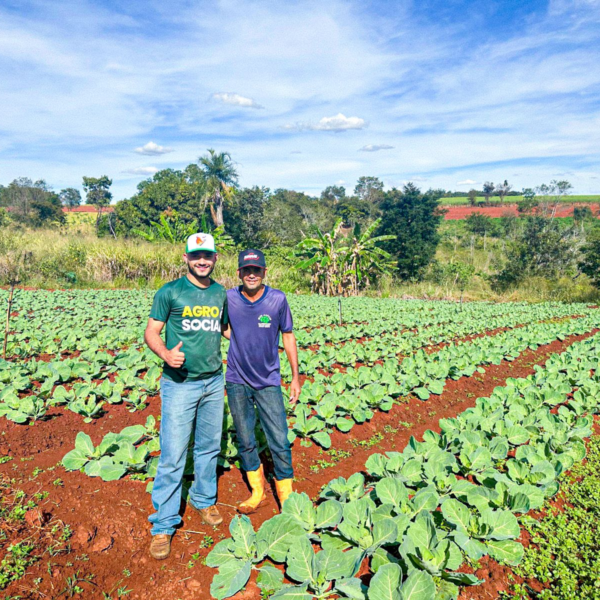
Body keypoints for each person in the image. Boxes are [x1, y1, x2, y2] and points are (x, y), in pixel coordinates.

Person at [144, 232, 229, 560]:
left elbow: (224, 329)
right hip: (180, 384)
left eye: (207, 255)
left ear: (215, 258)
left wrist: (257, 334)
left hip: (212, 382)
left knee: (209, 447)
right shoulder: (170, 292)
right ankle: (163, 524)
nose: (202, 261)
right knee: (173, 453)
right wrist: (166, 354)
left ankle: (204, 500)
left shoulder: (221, 293)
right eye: (196, 256)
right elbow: (151, 331)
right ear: (186, 258)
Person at [224, 249, 301, 514]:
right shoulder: (230, 298)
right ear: (239, 273)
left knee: (278, 437)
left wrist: (295, 377)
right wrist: (238, 340)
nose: (252, 275)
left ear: (264, 272)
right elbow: (223, 326)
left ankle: (287, 498)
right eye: (247, 270)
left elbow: (288, 336)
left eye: (256, 270)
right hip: (236, 380)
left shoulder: (277, 299)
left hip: (268, 381)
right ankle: (257, 491)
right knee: (245, 438)